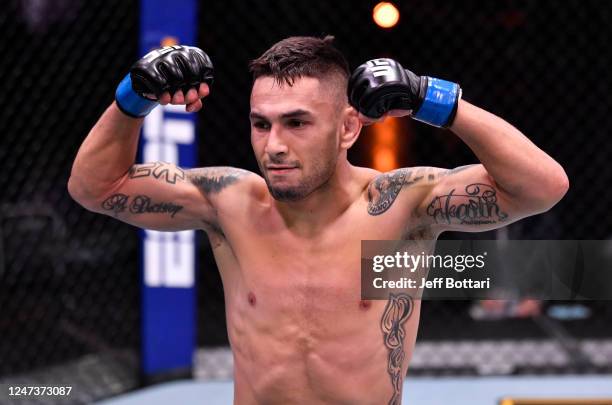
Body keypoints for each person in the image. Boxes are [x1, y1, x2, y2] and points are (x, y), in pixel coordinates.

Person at [68, 37, 569, 404]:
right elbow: (95, 188)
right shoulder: (229, 203)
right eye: (261, 124)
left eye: (297, 122)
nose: (275, 145)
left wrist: (433, 99)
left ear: (348, 126)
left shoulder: (400, 204)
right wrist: (132, 99)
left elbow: (542, 186)